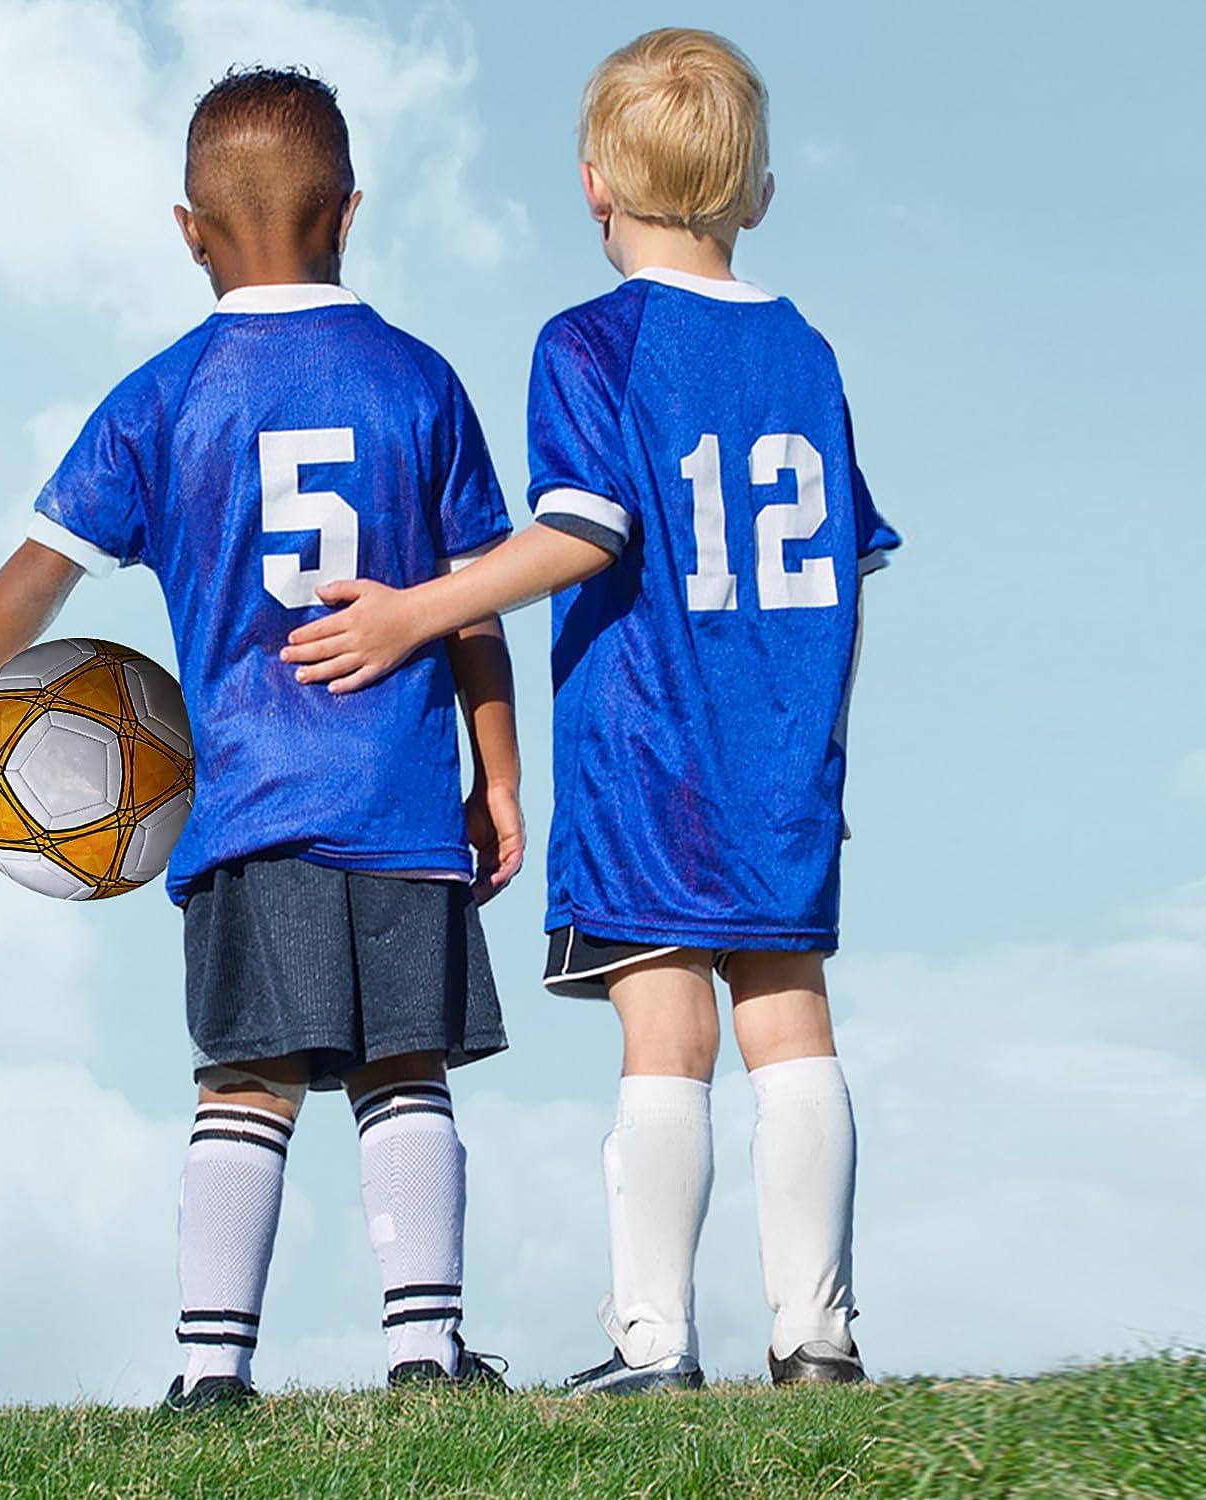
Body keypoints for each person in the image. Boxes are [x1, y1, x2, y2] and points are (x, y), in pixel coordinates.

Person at [281, 29, 900, 1392]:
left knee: (663, 1021)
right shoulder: (807, 349)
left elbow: (582, 530)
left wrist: (412, 610)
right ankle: (818, 1339)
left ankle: (655, 1344)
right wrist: (816, 740)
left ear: (590, 187)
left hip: (651, 749)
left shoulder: (592, 343)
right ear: (760, 192)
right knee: (791, 1012)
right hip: (786, 755)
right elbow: (851, 565)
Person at [0, 66, 521, 1406]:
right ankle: (424, 1351)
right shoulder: (419, 382)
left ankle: (210, 1375)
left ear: (188, 230)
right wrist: (500, 771)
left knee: (244, 1076)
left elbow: (44, 570)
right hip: (404, 794)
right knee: (404, 1067)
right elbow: (478, 608)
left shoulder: (164, 395)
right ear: (349, 213)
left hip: (249, 805)